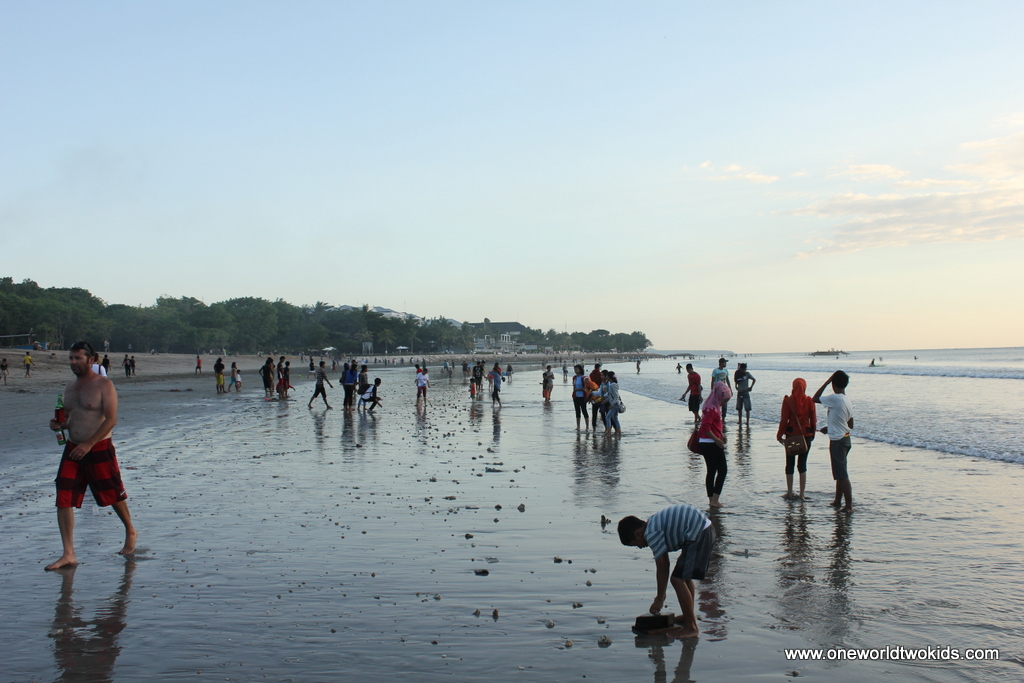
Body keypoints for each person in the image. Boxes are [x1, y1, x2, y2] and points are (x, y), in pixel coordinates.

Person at [45, 341, 136, 570]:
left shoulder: (104, 385)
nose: (73, 362)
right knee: (63, 496)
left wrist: (89, 444)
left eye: (78, 358)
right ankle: (68, 553)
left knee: (112, 492)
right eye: (71, 358)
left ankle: (130, 530)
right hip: (73, 447)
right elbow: (71, 419)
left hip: (98, 446)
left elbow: (111, 420)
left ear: (91, 359)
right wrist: (59, 425)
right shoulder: (69, 388)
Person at [617, 504, 716, 639]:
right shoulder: (652, 524)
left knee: (677, 580)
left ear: (638, 534)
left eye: (635, 544)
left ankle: (691, 627)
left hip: (699, 533)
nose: (639, 547)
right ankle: (688, 616)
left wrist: (660, 598)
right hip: (701, 529)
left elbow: (663, 566)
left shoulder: (651, 534)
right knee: (684, 576)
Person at [813, 371, 854, 512]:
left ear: (834, 384)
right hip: (846, 438)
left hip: (838, 441)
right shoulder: (847, 400)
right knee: (839, 472)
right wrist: (830, 427)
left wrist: (827, 381)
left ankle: (848, 506)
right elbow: (850, 424)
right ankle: (837, 501)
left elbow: (815, 398)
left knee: (842, 475)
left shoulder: (835, 398)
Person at [777, 378, 816, 500]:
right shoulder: (810, 400)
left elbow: (784, 420)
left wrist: (779, 435)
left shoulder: (788, 401)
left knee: (790, 464)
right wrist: (813, 434)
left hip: (792, 435)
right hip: (806, 436)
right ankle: (802, 494)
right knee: (802, 464)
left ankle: (790, 492)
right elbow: (813, 420)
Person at [697, 381, 732, 508]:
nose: (724, 403)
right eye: (724, 400)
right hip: (710, 443)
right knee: (722, 470)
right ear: (719, 396)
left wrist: (721, 435)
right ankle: (715, 499)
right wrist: (717, 440)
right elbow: (705, 427)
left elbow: (713, 425)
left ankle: (712, 499)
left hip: (706, 442)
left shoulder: (712, 406)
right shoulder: (712, 408)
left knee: (711, 470)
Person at [603, 370, 622, 436]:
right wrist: (606, 400)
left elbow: (616, 396)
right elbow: (612, 396)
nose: (606, 377)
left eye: (607, 376)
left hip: (614, 404)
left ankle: (609, 432)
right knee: (615, 418)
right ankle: (619, 432)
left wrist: (612, 404)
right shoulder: (613, 385)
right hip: (615, 403)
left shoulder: (612, 386)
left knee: (608, 417)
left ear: (609, 377)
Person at [571, 365, 591, 431]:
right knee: (577, 411)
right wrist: (574, 392)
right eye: (575, 369)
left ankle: (587, 427)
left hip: (582, 396)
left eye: (577, 369)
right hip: (576, 396)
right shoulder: (574, 377)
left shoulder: (584, 378)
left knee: (584, 411)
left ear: (580, 370)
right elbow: (574, 386)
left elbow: (586, 387)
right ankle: (578, 426)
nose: (575, 371)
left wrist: (578, 389)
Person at [589, 363, 604, 430]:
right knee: (602, 410)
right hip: (599, 391)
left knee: (594, 412)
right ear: (599, 367)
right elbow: (601, 382)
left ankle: (594, 427)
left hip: (593, 392)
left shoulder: (591, 374)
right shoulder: (600, 374)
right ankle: (606, 427)